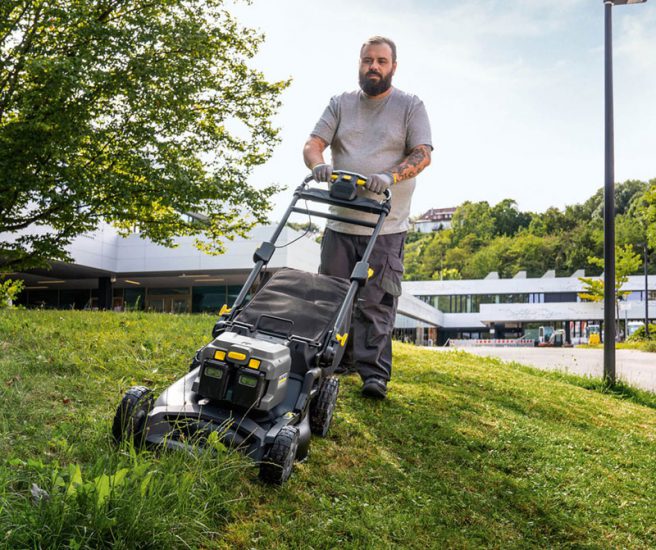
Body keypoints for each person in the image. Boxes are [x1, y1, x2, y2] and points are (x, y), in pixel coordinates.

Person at [303, 36, 432, 399]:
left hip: (386, 225)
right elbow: (313, 143)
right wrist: (318, 165)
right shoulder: (340, 103)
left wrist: (389, 177)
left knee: (376, 301)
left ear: (393, 66)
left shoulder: (409, 106)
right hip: (341, 223)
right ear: (359, 63)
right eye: (367, 60)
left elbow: (423, 154)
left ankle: (373, 375)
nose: (373, 66)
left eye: (381, 61)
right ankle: (332, 361)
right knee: (331, 297)